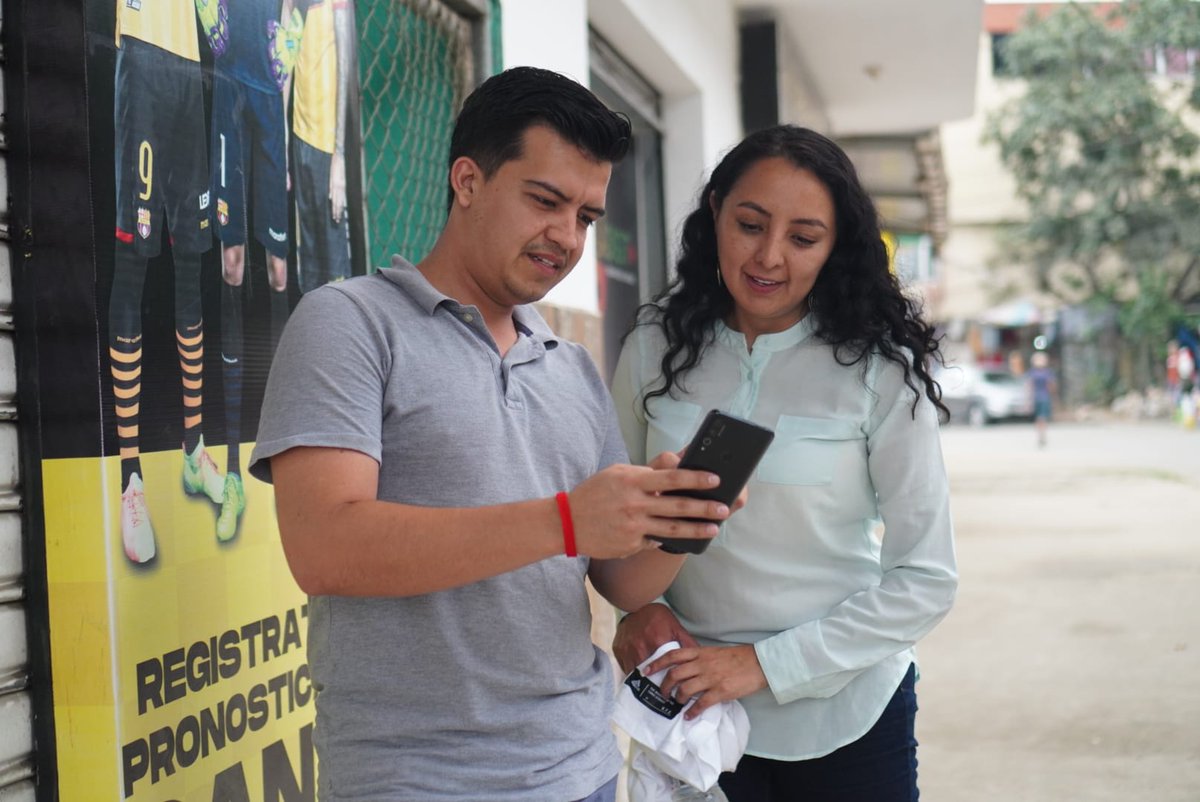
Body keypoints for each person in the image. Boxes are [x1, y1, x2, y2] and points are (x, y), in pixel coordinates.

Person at [248, 67, 738, 802]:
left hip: (581, 765)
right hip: (413, 780)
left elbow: (620, 580)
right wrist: (567, 519)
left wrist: (677, 523)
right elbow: (324, 548)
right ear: (468, 181)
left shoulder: (571, 367)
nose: (566, 236)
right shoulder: (350, 322)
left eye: (586, 216)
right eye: (545, 200)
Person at [610, 125, 958, 802]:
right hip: (692, 716)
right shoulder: (654, 348)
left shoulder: (880, 373)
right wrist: (638, 610)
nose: (769, 256)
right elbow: (607, 517)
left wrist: (760, 665)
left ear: (836, 248)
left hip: (848, 715)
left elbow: (925, 579)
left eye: (803, 238)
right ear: (714, 214)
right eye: (749, 224)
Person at [110, 0, 227, 563]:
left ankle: (193, 449)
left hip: (190, 68)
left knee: (190, 263)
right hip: (141, 52)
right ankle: (131, 479)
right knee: (133, 258)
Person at [209, 0, 306, 542]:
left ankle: (285, 463)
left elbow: (294, 21)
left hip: (269, 99)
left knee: (275, 270)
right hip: (226, 85)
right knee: (231, 264)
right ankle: (230, 472)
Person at [290, 0, 356, 293]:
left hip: (327, 145)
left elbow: (344, 68)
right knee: (308, 253)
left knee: (333, 257)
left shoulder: (338, 5)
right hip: (298, 137)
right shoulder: (293, 6)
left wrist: (338, 156)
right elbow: (285, 64)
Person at [1028, 350, 1057, 447]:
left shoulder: (1045, 372)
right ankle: (1041, 435)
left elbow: (1051, 386)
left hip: (1043, 397)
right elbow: (1030, 386)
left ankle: (1041, 435)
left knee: (1041, 418)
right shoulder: (1038, 372)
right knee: (1040, 418)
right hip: (1040, 397)